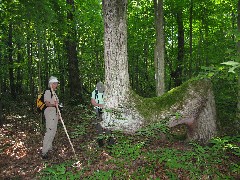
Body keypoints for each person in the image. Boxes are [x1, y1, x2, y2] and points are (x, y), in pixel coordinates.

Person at [91, 82, 114, 147]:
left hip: (106, 111)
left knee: (107, 124)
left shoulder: (106, 91)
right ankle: (100, 141)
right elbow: (92, 102)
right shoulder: (94, 92)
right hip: (97, 110)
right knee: (99, 125)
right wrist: (100, 105)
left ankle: (110, 141)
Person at [42, 76, 60, 159]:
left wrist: (58, 113)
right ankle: (44, 152)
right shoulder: (48, 92)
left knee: (53, 131)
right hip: (50, 113)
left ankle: (49, 147)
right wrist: (55, 105)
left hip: (55, 113)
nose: (57, 85)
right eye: (55, 83)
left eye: (56, 83)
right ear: (51, 84)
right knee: (49, 131)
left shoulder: (54, 93)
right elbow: (47, 103)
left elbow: (56, 105)